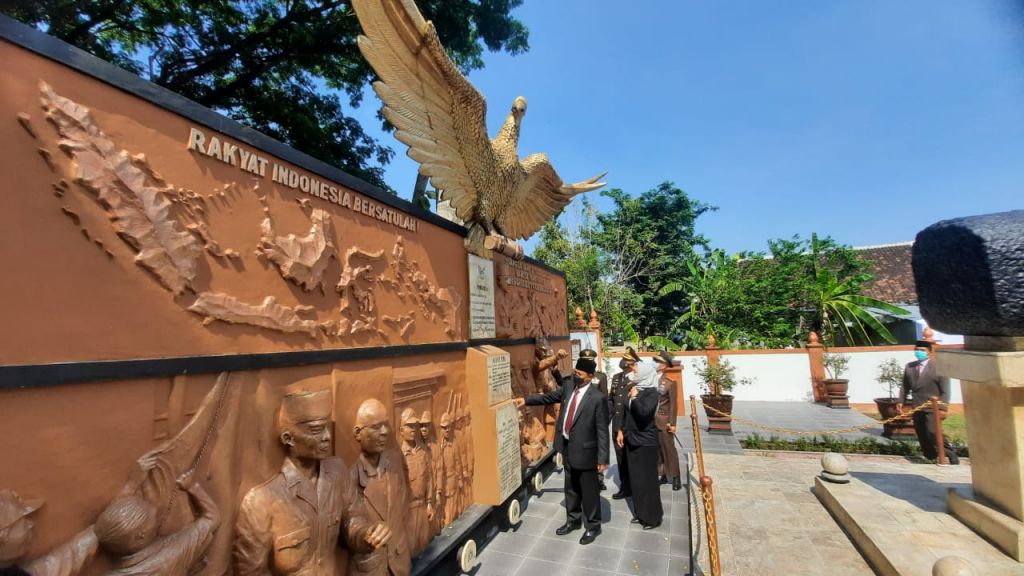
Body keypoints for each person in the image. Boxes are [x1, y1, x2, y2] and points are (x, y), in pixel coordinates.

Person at [235, 390, 392, 576]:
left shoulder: (336, 473)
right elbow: (250, 571)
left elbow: (352, 520)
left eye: (327, 427)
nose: (327, 436)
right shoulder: (261, 501)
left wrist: (368, 534)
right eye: (317, 430)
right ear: (288, 438)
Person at [515, 356, 609, 545]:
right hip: (567, 447)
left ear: (590, 376)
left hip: (587, 452)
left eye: (580, 374)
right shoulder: (568, 387)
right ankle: (573, 521)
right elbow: (547, 397)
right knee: (571, 488)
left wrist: (603, 458)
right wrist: (525, 400)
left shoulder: (597, 398)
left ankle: (593, 526)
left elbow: (602, 431)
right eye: (575, 372)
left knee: (589, 492)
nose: (576, 376)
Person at [96, 468, 220, 576]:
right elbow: (211, 518)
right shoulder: (170, 555)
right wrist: (193, 487)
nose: (155, 510)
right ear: (142, 536)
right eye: (151, 518)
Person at [350, 399, 412, 576]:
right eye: (376, 427)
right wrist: (366, 534)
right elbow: (349, 525)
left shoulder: (395, 461)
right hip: (372, 567)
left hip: (400, 562)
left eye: (385, 425)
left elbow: (405, 497)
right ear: (358, 433)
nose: (385, 432)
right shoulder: (350, 477)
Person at [898, 341, 959, 465]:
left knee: (932, 432)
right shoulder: (910, 367)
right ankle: (930, 455)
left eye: (922, 350)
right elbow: (905, 386)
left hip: (933, 407)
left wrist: (943, 407)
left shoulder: (938, 367)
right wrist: (901, 401)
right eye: (917, 349)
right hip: (917, 405)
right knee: (921, 433)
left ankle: (951, 454)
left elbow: (945, 390)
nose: (919, 352)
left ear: (929, 352)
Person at [618, 362, 663, 529]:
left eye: (636, 371)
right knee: (637, 481)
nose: (633, 373)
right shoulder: (637, 388)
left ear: (645, 374)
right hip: (633, 440)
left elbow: (644, 414)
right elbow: (627, 413)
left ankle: (653, 517)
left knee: (648, 482)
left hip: (645, 443)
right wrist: (621, 430)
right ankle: (641, 513)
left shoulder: (651, 392)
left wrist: (635, 398)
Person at [609, 347, 641, 500]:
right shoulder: (617, 377)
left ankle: (637, 486)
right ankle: (625, 486)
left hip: (631, 426)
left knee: (633, 458)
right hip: (616, 425)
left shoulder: (638, 379)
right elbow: (612, 400)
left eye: (627, 362)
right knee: (621, 457)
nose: (624, 364)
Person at [578, 348, 609, 491]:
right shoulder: (578, 377)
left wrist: (605, 419)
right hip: (583, 419)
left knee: (598, 449)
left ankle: (599, 478)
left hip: (596, 418)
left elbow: (605, 398)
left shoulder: (600, 377)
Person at [652, 351, 683, 490]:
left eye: (657, 362)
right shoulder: (650, 379)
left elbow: (673, 404)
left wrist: (673, 423)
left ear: (663, 365)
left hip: (664, 420)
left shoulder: (669, 382)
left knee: (669, 449)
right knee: (657, 450)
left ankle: (676, 477)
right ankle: (662, 473)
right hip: (650, 421)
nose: (655, 364)